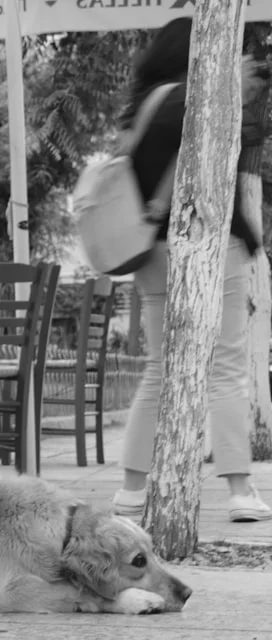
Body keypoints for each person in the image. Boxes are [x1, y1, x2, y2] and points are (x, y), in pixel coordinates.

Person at [112, 17, 272, 522]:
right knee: (225, 368)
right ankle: (241, 490)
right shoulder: (195, 101)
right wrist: (250, 238)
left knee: (158, 370)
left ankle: (131, 489)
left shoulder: (143, 107)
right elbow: (216, 180)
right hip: (206, 243)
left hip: (149, 250)